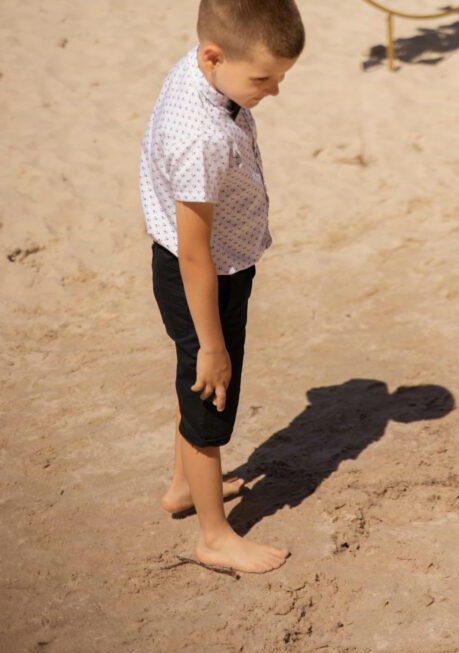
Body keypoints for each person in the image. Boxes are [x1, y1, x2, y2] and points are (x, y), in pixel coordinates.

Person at [139, 0, 305, 573]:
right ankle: (213, 536)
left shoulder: (199, 69)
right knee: (210, 394)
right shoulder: (201, 136)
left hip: (210, 266)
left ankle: (184, 487)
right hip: (204, 277)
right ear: (214, 57)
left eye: (280, 77)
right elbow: (193, 253)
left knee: (193, 383)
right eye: (263, 79)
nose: (274, 91)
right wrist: (212, 345)